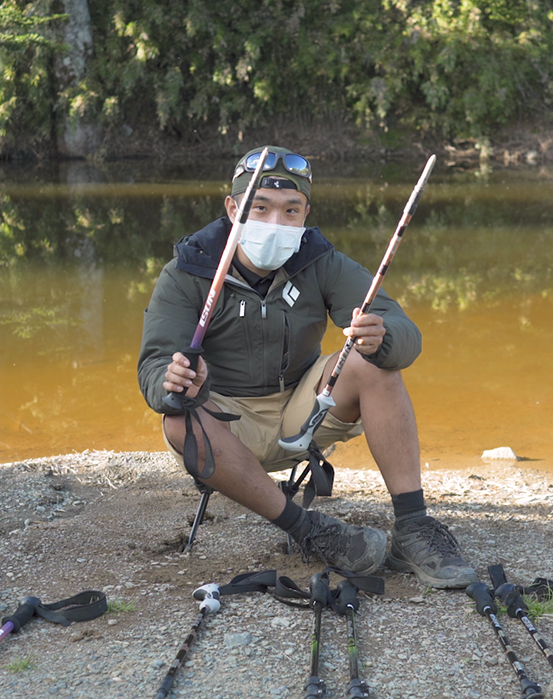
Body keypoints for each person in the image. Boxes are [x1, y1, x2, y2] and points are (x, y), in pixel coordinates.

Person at [137, 146, 476, 588]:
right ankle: (308, 529)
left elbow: (404, 332)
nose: (275, 223)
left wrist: (382, 337)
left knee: (373, 362)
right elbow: (154, 366)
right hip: (224, 420)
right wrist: (174, 381)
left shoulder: (321, 262)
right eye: (260, 208)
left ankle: (413, 527)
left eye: (290, 211)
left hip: (304, 408)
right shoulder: (187, 271)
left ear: (305, 214)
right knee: (177, 420)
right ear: (233, 207)